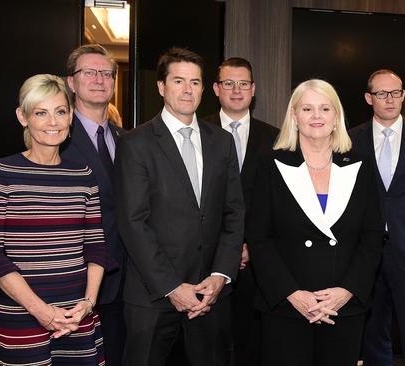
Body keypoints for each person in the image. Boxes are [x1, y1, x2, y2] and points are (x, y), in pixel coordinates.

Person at [0, 74, 110, 365]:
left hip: (76, 317)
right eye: (41, 113)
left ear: (70, 118)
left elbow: (96, 247)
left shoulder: (83, 174)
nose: (52, 122)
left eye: (60, 112)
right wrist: (42, 312)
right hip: (22, 316)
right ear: (23, 116)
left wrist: (87, 304)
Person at [115, 47, 244, 366]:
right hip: (153, 295)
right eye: (179, 81)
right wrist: (172, 286)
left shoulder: (222, 142)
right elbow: (134, 222)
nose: (188, 89)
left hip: (209, 294)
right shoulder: (135, 143)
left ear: (204, 88)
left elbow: (234, 213)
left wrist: (221, 275)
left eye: (196, 82)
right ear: (161, 87)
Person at [247, 79, 383, 366]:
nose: (317, 116)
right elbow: (259, 238)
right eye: (307, 108)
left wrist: (346, 291)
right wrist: (293, 294)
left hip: (342, 306)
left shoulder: (361, 166)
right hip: (287, 306)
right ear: (294, 116)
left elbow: (371, 237)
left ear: (336, 117)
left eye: (324, 108)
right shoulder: (271, 165)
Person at [350, 69, 405, 366]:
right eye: (381, 93)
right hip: (366, 253)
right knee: (373, 339)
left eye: (396, 92)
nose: (389, 99)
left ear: (403, 95)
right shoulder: (350, 141)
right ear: (368, 98)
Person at [203, 57, 279, 366]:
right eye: (229, 84)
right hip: (207, 257)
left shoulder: (275, 137)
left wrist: (250, 247)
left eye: (243, 84)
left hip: (259, 260)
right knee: (210, 344)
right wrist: (228, 247)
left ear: (254, 90)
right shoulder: (197, 131)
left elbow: (276, 201)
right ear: (216, 89)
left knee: (253, 345)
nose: (236, 91)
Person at [61, 43, 127, 366]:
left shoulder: (125, 138)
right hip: (76, 281)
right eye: (89, 72)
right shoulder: (57, 137)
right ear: (72, 82)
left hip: (127, 282)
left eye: (106, 73)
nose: (99, 79)